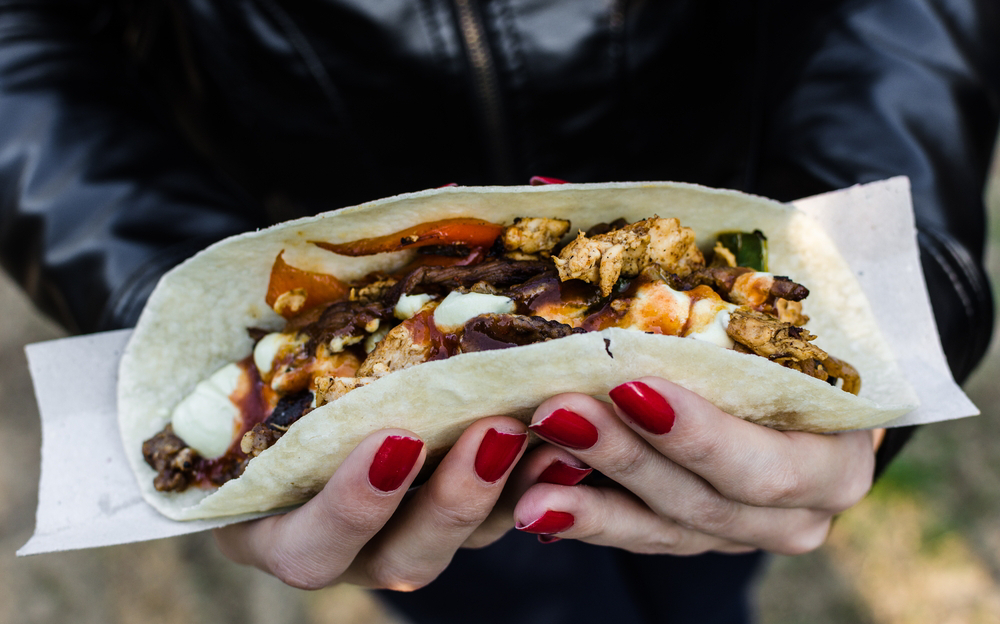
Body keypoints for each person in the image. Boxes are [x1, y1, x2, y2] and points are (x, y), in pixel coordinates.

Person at [1, 1, 997, 622]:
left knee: (702, 575)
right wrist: (158, 284)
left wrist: (886, 272)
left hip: (735, 266)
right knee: (499, 592)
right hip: (368, 416)